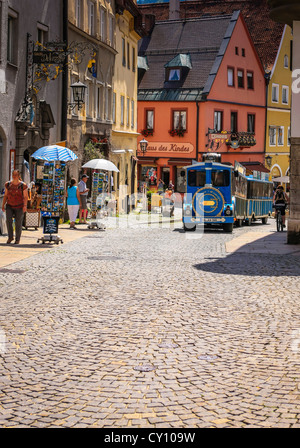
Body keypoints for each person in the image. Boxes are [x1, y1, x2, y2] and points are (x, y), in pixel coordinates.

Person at [1, 169, 28, 244]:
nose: (14, 176)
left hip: (19, 206)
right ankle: (10, 237)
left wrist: (25, 206)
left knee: (18, 223)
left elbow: (25, 196)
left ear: (19, 176)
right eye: (13, 175)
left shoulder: (23, 185)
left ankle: (17, 239)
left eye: (16, 175)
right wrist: (3, 205)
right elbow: (5, 195)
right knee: (8, 221)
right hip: (9, 205)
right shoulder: (8, 184)